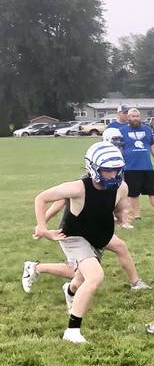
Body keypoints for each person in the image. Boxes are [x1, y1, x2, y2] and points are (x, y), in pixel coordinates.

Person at [30, 142, 129, 343]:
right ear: (93, 168)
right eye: (107, 170)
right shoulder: (78, 187)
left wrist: (121, 215)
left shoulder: (121, 187)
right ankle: (72, 331)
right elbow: (41, 198)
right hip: (74, 236)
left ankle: (69, 290)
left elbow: (116, 205)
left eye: (116, 170)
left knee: (80, 280)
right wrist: (42, 227)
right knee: (95, 276)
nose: (113, 175)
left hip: (98, 237)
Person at [120, 107, 154, 220]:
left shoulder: (147, 130)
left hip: (147, 167)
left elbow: (153, 146)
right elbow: (118, 148)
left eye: (137, 116)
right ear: (128, 117)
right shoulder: (122, 131)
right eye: (133, 116)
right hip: (130, 168)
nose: (135, 119)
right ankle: (136, 215)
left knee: (153, 192)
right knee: (133, 194)